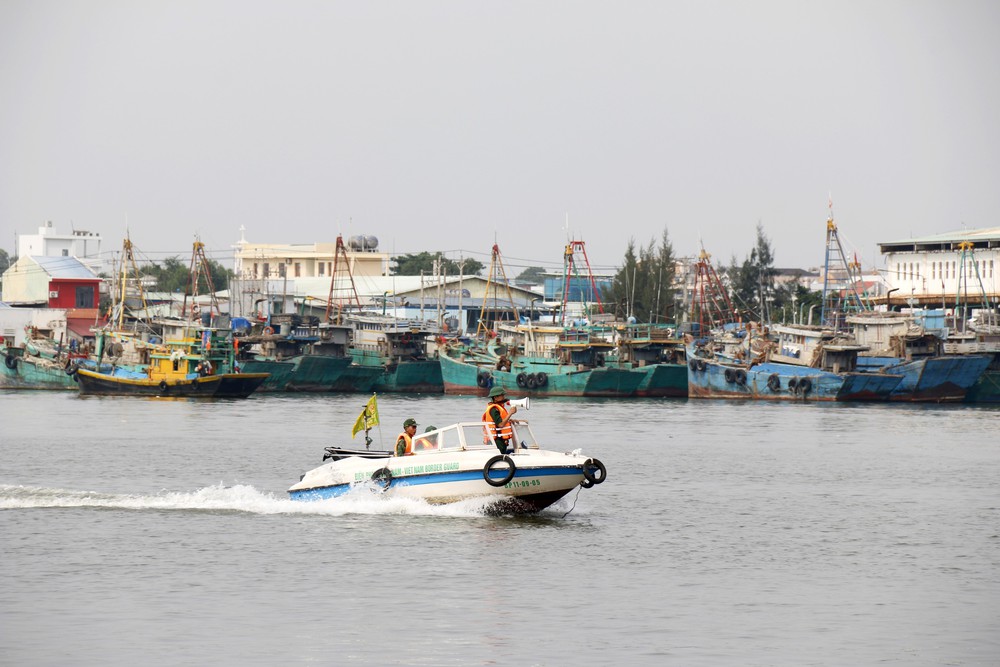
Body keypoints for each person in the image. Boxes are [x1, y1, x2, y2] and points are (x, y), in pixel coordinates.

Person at [483, 386, 518, 455]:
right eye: (502, 395)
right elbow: (500, 424)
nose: (504, 397)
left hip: (501, 440)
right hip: (497, 441)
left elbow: (501, 420)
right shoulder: (493, 409)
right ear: (495, 397)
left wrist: (510, 420)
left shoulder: (499, 408)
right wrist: (510, 413)